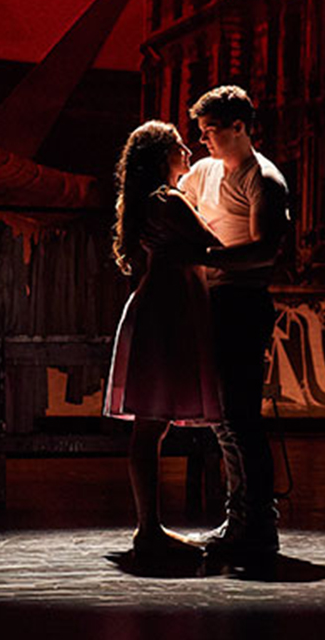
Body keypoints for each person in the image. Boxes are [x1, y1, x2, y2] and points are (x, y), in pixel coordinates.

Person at [177, 86, 291, 559]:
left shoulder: (263, 179)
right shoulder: (204, 171)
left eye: (211, 131)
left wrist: (205, 256)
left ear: (239, 127)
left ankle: (257, 521)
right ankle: (239, 518)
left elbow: (266, 249)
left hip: (240, 304)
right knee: (222, 419)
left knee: (239, 417)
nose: (203, 141)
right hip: (211, 301)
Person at [104, 120, 223, 556]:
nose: (189, 153)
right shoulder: (167, 200)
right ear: (161, 157)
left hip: (162, 306)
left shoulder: (153, 201)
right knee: (151, 424)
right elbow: (214, 244)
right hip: (168, 311)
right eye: (179, 147)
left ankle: (148, 526)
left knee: (150, 425)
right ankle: (148, 528)